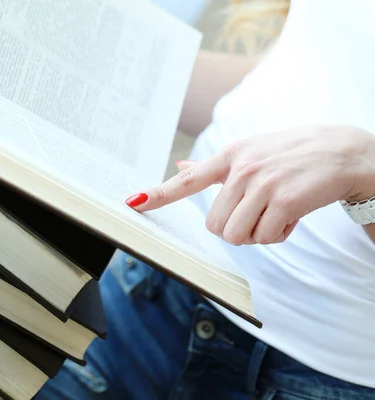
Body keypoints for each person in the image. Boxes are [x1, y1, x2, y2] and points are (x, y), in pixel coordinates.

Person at [36, 0, 375, 399]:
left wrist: (361, 170)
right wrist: (94, 56)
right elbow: (316, 71)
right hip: (155, 287)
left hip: (320, 374)